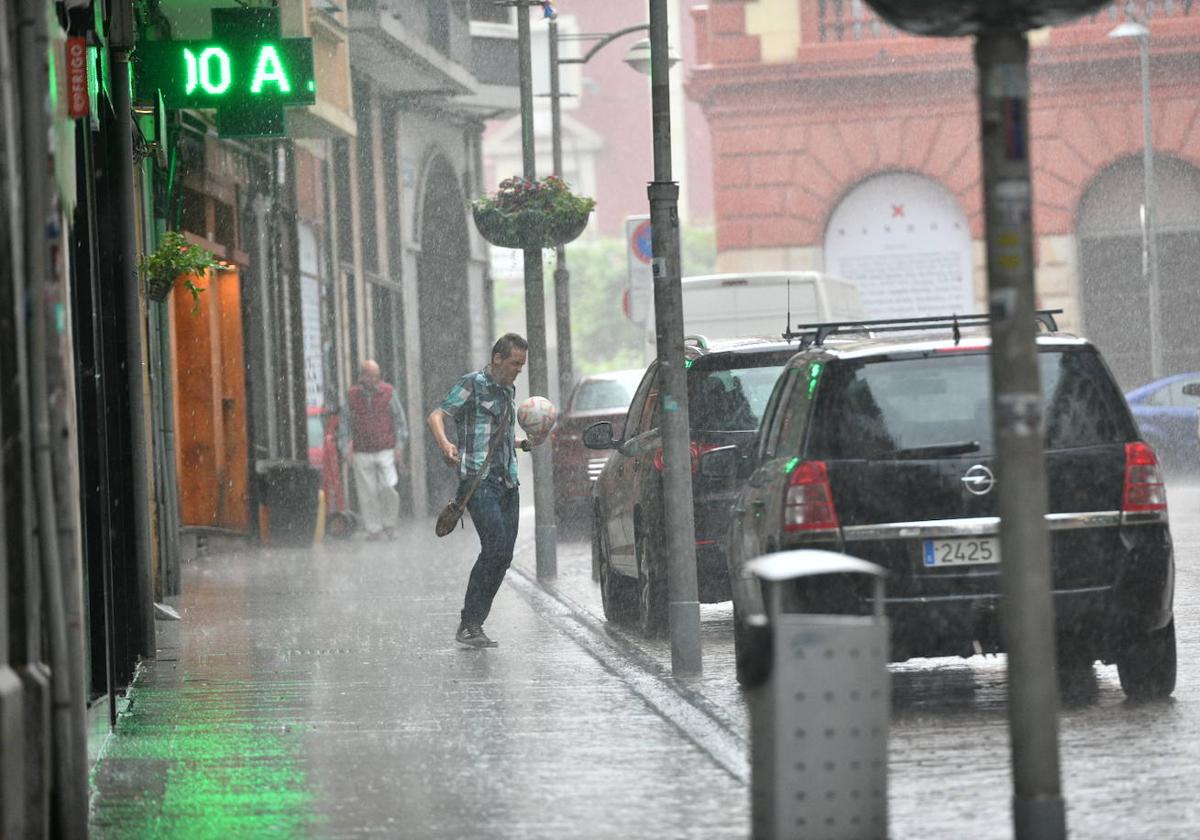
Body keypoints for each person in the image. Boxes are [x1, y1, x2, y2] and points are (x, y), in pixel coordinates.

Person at [427, 333, 543, 648]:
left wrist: (524, 442)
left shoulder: (508, 389)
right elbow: (436, 415)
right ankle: (469, 623)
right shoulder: (472, 384)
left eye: (522, 365)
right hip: (479, 481)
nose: (518, 370)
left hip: (508, 480)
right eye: (514, 363)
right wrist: (445, 444)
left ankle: (474, 623)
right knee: (494, 549)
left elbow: (500, 435)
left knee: (503, 555)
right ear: (497, 359)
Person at [339, 360, 409, 541]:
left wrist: (399, 446)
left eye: (375, 376)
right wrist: (345, 447)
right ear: (361, 376)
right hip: (361, 450)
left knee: (388, 486)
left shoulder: (388, 393)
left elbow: (400, 421)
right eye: (369, 376)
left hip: (385, 448)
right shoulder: (352, 396)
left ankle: (389, 524)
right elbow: (344, 424)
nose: (372, 380)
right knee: (367, 492)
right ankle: (374, 529)